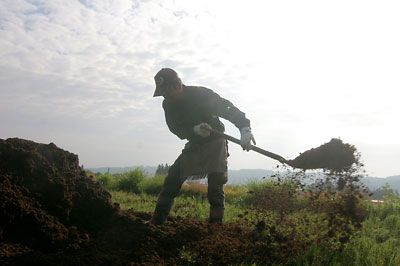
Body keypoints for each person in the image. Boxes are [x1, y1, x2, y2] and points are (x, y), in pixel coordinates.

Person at [150, 68, 255, 225]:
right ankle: (156, 222)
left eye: (167, 91)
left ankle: (215, 227)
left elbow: (227, 108)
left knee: (216, 185)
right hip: (195, 143)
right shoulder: (168, 105)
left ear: (178, 85)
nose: (165, 96)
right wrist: (194, 130)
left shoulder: (201, 95)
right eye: (162, 93)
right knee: (172, 179)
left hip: (216, 141)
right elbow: (176, 129)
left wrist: (244, 128)